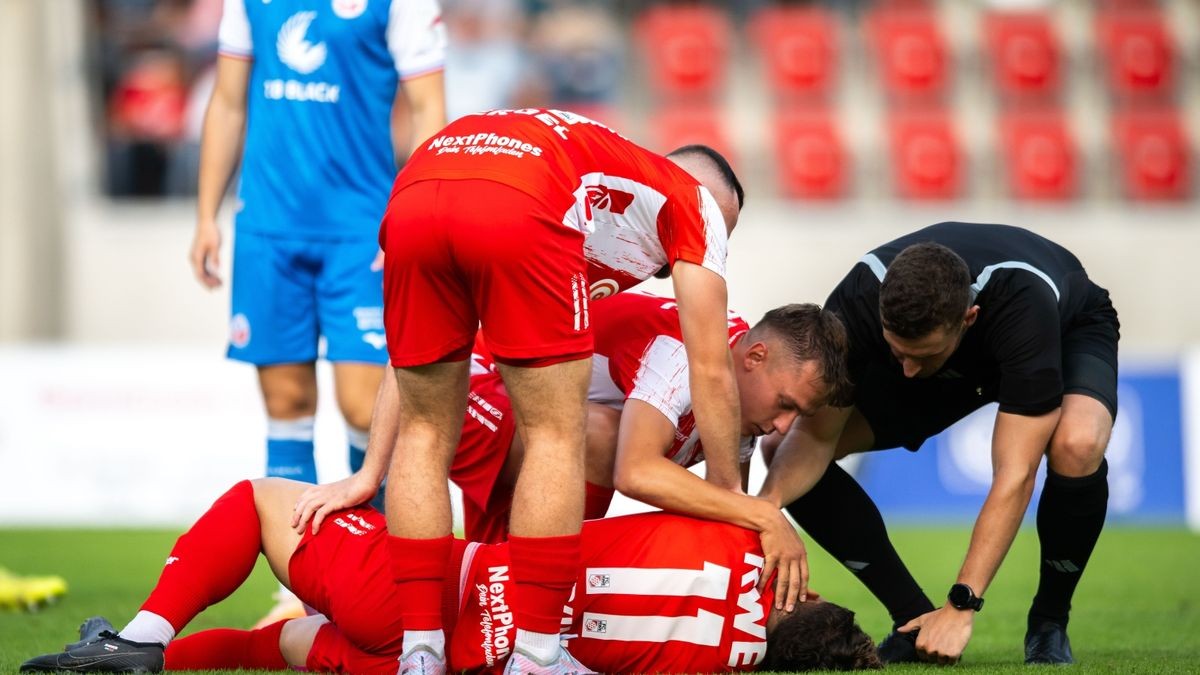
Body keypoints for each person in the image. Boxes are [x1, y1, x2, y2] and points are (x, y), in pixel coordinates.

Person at [377, 108, 749, 673]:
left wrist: (370, 466)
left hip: (417, 183)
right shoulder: (689, 203)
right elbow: (713, 367)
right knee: (557, 432)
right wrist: (731, 506)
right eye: (723, 234)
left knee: (427, 430)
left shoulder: (608, 196)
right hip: (516, 200)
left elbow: (407, 370)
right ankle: (537, 654)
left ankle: (420, 652)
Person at [294, 292, 849, 598]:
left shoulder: (741, 400)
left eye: (796, 416)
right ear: (754, 357)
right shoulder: (685, 354)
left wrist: (782, 596)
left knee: (478, 587)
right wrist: (763, 514)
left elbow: (723, 518)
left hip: (528, 422)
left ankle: (332, 601)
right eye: (784, 404)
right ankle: (552, 604)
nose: (781, 427)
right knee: (603, 439)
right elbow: (634, 472)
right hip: (473, 385)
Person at [20, 479, 883, 674]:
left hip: (433, 589)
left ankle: (140, 639)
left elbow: (643, 467)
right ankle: (147, 664)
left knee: (257, 504)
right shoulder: (719, 668)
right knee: (270, 644)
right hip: (425, 664)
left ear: (793, 593)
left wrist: (768, 519)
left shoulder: (736, 539)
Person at [186, 0, 445, 623]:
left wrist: (415, 216)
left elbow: (429, 108)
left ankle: (380, 571)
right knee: (286, 406)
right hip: (268, 228)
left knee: (365, 407)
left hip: (362, 231)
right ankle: (299, 591)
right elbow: (226, 102)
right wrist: (205, 215)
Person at [759, 222, 1120, 665]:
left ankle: (1049, 621)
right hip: (948, 364)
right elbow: (816, 436)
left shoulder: (1024, 307)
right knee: (781, 454)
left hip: (1067, 330)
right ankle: (913, 621)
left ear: (968, 318)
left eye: (920, 355)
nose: (906, 370)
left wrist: (962, 605)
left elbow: (1015, 473)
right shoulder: (854, 307)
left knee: (1077, 444)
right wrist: (762, 511)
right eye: (897, 351)